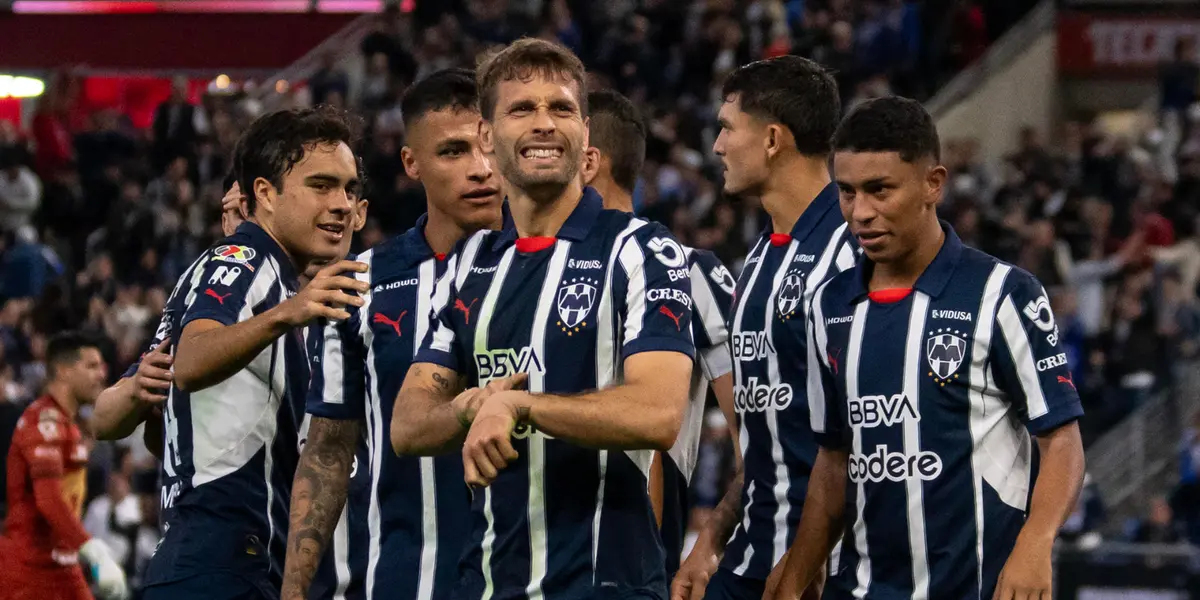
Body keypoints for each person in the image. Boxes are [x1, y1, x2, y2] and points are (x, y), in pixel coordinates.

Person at [392, 38, 695, 600]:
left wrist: (519, 404)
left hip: (606, 584)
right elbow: (408, 426)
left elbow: (658, 412)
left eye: (560, 108)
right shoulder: (469, 267)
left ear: (585, 134)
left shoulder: (641, 251)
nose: (543, 123)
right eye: (521, 108)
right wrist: (472, 406)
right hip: (485, 583)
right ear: (487, 136)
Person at [770, 97, 1086, 600]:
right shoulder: (828, 305)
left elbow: (1062, 441)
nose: (861, 213)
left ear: (933, 184)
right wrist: (795, 576)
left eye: (880, 190)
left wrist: (1036, 543)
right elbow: (834, 461)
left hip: (977, 586)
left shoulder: (1003, 293)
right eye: (847, 193)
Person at [282, 68, 505, 600]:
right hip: (402, 577)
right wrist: (292, 590)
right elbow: (329, 449)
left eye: (488, 148)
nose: (480, 170)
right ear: (412, 163)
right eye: (452, 152)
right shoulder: (360, 282)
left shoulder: (551, 269)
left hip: (529, 575)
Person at [138, 106, 370, 600]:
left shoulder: (274, 278)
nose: (342, 204)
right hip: (221, 560)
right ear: (264, 194)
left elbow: (169, 432)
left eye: (349, 189)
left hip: (217, 556)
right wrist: (290, 311)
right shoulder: (246, 259)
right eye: (321, 185)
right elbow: (192, 362)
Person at [672, 56, 854, 600]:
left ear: (773, 138)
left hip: (826, 570)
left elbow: (865, 436)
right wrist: (710, 539)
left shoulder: (853, 251)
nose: (717, 147)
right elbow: (764, 440)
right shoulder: (756, 263)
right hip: (754, 553)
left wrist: (808, 560)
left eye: (727, 128)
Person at [580, 89, 736, 580]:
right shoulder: (520, 274)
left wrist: (709, 541)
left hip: (642, 566)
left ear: (588, 163)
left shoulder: (690, 273)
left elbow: (759, 434)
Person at [0, 333, 128, 600]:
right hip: (29, 566)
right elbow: (48, 499)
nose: (102, 374)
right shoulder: (43, 423)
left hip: (62, 560)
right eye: (91, 366)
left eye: (102, 366)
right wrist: (93, 549)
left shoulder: (68, 426)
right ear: (63, 371)